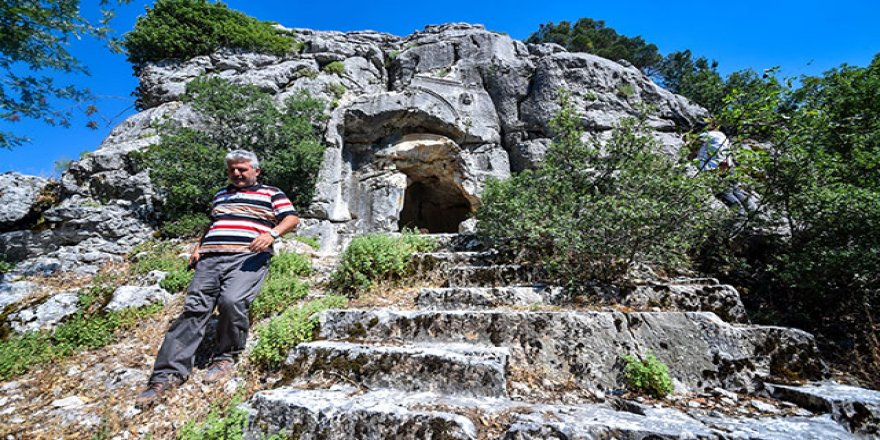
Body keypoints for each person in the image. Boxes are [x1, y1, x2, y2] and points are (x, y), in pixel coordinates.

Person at [135, 150, 300, 405]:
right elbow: (213, 223)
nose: (237, 173)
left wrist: (272, 235)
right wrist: (197, 247)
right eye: (232, 169)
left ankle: (225, 357)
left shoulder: (271, 193)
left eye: (242, 169)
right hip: (210, 259)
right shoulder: (220, 195)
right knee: (193, 311)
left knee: (232, 301)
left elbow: (291, 217)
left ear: (256, 170)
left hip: (248, 257)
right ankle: (165, 377)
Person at [696, 129, 758, 216]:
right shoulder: (722, 135)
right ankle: (755, 213)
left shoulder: (709, 135)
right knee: (736, 191)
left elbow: (698, 141)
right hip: (728, 165)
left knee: (723, 193)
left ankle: (741, 216)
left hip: (717, 168)